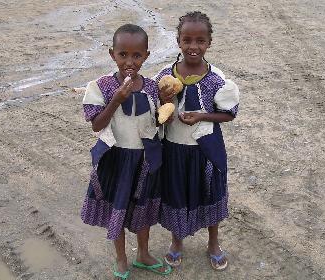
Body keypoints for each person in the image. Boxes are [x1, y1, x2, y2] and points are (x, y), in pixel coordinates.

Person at [80, 24, 171, 279]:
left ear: (146, 56)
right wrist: (117, 100)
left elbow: (158, 121)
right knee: (116, 208)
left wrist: (168, 109)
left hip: (144, 159)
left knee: (143, 208)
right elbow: (97, 125)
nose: (129, 61)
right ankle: (121, 258)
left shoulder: (152, 87)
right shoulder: (102, 86)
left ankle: (143, 253)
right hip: (117, 159)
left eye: (137, 56)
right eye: (123, 55)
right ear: (112, 54)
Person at [155, 11, 240, 271]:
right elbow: (157, 112)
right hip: (174, 150)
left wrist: (202, 115)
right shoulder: (164, 76)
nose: (193, 47)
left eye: (200, 41)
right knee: (176, 194)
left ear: (209, 43)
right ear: (178, 41)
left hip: (206, 150)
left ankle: (213, 243)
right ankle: (176, 242)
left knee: (210, 192)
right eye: (187, 40)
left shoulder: (217, 79)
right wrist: (165, 115)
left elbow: (228, 113)